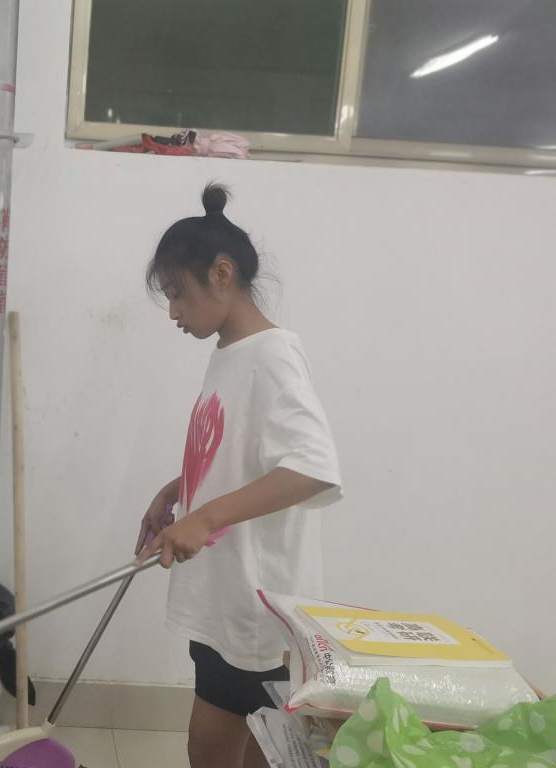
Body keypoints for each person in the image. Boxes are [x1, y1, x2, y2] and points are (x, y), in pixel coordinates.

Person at [135, 183, 343, 768]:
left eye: (177, 293)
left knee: (215, 747)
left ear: (221, 274)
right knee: (254, 745)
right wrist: (177, 490)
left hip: (254, 599)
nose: (173, 312)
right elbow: (240, 454)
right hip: (225, 594)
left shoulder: (273, 355)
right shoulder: (231, 354)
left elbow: (312, 466)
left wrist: (205, 517)